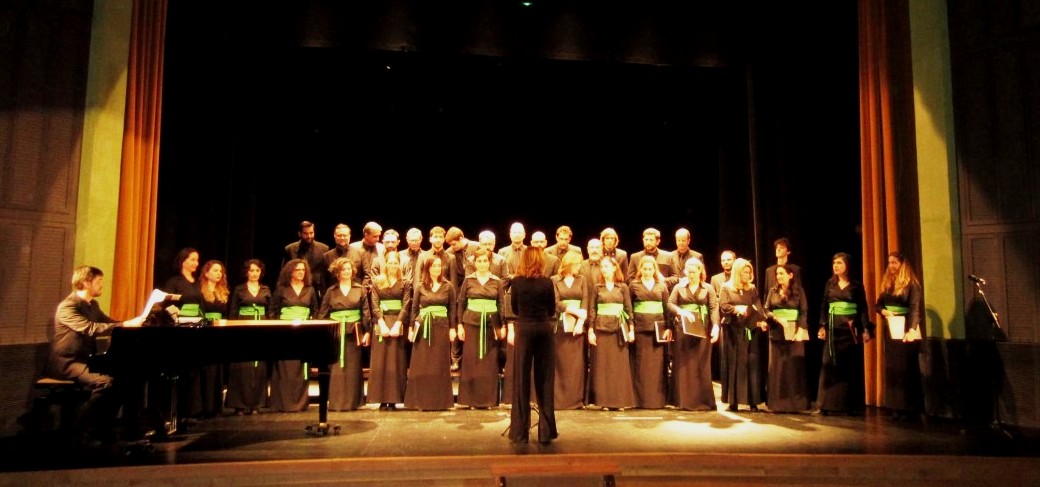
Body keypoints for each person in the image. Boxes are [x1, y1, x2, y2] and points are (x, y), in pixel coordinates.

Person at [48, 266, 145, 445]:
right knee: (106, 382)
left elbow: (109, 323)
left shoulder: (93, 305)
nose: (102, 285)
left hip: (86, 359)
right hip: (67, 362)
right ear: (86, 282)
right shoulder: (68, 306)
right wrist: (125, 324)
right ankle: (81, 430)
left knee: (125, 381)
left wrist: (134, 323)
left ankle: (102, 427)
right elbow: (90, 328)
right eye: (99, 282)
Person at [507, 247, 558, 445]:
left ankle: (520, 432)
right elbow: (552, 308)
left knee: (521, 378)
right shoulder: (547, 282)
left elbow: (514, 308)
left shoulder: (517, 282)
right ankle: (545, 432)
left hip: (525, 330)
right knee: (545, 379)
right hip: (544, 330)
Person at [816, 252, 874, 415]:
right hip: (833, 329)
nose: (836, 266)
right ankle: (825, 405)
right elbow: (824, 307)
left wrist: (865, 329)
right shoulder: (830, 284)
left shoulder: (856, 285)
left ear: (847, 265)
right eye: (834, 263)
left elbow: (863, 308)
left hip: (850, 330)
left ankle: (848, 405)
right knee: (829, 366)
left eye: (839, 263)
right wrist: (822, 326)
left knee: (848, 367)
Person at [317, 257, 377, 411]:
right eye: (344, 269)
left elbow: (366, 313)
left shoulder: (360, 289)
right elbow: (323, 313)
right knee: (336, 369)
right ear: (337, 272)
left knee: (352, 369)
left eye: (349, 269)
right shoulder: (331, 291)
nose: (347, 271)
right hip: (335, 335)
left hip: (353, 334)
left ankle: (353, 402)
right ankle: (337, 402)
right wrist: (324, 334)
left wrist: (367, 332)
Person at [875, 251, 924, 421]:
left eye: (894, 262)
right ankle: (896, 406)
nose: (891, 266)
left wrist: (911, 329)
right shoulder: (888, 283)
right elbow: (878, 304)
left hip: (906, 330)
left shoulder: (912, 284)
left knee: (906, 369)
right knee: (893, 369)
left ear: (902, 264)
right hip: (891, 329)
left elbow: (915, 308)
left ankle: (909, 408)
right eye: (889, 262)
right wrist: (884, 311)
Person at [404, 253, 457, 411]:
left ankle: (440, 402)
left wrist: (453, 328)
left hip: (441, 327)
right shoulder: (420, 286)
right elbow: (414, 309)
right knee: (422, 364)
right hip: (422, 328)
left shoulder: (448, 286)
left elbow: (452, 309)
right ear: (428, 268)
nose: (437, 268)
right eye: (433, 266)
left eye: (439, 266)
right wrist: (411, 328)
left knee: (439, 364)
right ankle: (419, 401)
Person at [666, 258, 720, 411]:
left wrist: (715, 326)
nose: (691, 275)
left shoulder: (708, 288)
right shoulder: (679, 287)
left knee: (701, 366)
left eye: (693, 272)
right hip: (683, 330)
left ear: (700, 272)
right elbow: (670, 304)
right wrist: (681, 311)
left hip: (702, 330)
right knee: (685, 366)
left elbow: (714, 308)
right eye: (688, 272)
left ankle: (702, 401)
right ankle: (685, 401)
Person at [455, 248, 505, 408]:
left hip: (491, 325)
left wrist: (502, 325)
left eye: (485, 261)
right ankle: (470, 400)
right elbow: (461, 302)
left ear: (489, 262)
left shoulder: (496, 281)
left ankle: (488, 400)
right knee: (472, 362)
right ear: (474, 263)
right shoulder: (468, 280)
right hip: (471, 324)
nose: (482, 264)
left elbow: (501, 304)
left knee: (489, 362)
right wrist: (460, 325)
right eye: (479, 261)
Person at [269, 259, 319, 412]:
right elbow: (273, 311)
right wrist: (277, 327)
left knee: (300, 367)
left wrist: (311, 326)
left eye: (303, 270)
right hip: (285, 332)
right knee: (285, 367)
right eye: (297, 270)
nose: (301, 272)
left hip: (303, 332)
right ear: (290, 271)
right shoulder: (281, 289)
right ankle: (282, 403)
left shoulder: (310, 290)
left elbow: (315, 311)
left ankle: (300, 403)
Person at [719, 257, 768, 412]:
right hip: (733, 331)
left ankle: (752, 401)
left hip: (749, 331)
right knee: (733, 363)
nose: (747, 275)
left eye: (749, 272)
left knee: (750, 363)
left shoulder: (752, 289)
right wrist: (736, 309)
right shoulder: (726, 287)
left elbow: (758, 307)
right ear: (737, 272)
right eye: (744, 272)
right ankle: (733, 401)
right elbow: (723, 306)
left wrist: (761, 320)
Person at [588, 257, 636, 410]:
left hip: (618, 331)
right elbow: (592, 309)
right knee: (603, 366)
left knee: (619, 367)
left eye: (607, 266)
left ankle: (619, 401)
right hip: (602, 329)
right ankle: (604, 402)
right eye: (602, 266)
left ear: (615, 268)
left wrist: (631, 329)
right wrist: (591, 329)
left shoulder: (622, 287)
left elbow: (629, 309)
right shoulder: (597, 287)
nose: (604, 269)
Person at [763, 264, 810, 413]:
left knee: (793, 368)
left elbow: (803, 312)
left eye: (782, 273)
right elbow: (766, 310)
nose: (778, 276)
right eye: (777, 274)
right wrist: (776, 318)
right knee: (777, 368)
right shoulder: (773, 291)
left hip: (794, 332)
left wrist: (800, 329)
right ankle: (777, 404)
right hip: (777, 333)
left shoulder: (799, 291)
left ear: (790, 275)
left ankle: (796, 404)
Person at [226, 259, 272, 415]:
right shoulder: (239, 289)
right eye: (251, 270)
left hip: (261, 327)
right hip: (243, 326)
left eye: (257, 270)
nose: (254, 273)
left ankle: (257, 403)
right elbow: (233, 312)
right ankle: (239, 404)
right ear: (246, 272)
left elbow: (270, 311)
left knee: (258, 367)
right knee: (241, 366)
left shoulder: (266, 289)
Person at [368, 250, 411, 410]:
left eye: (395, 262)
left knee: (395, 362)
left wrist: (398, 323)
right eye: (390, 262)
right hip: (382, 323)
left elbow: (406, 304)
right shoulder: (377, 281)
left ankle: (394, 398)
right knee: (380, 362)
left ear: (399, 264)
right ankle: (380, 398)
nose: (393, 265)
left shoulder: (405, 282)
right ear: (385, 263)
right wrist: (382, 323)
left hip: (397, 324)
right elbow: (374, 304)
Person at [629, 255, 671, 409]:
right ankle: (639, 400)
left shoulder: (662, 286)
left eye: (650, 269)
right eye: (644, 269)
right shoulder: (634, 285)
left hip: (657, 332)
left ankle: (657, 400)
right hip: (640, 330)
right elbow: (629, 308)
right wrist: (631, 327)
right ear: (640, 269)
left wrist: (668, 328)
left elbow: (667, 308)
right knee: (640, 365)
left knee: (657, 366)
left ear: (654, 269)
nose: (647, 271)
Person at [552, 250, 591, 409]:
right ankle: (559, 400)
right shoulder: (554, 280)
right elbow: (555, 302)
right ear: (568, 264)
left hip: (577, 326)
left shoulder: (582, 279)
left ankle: (575, 400)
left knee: (576, 365)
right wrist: (573, 311)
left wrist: (581, 322)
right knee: (560, 363)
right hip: (560, 326)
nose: (579, 267)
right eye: (577, 264)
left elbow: (585, 301)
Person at [193, 260, 229, 418]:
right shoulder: (199, 290)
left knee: (217, 369)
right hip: (205, 330)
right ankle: (203, 407)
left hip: (219, 332)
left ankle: (215, 406)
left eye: (220, 271)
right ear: (206, 272)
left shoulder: (223, 291)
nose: (218, 273)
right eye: (215, 270)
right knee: (205, 369)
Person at [283, 221, 330, 298]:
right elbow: (285, 273)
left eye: (311, 233)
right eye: (306, 233)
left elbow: (326, 274)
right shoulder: (290, 249)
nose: (309, 236)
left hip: (316, 291)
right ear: (299, 234)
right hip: (295, 289)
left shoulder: (324, 249)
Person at [163, 247, 202, 318]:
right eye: (193, 260)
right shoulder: (173, 282)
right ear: (183, 261)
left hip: (197, 320)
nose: (196, 263)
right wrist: (177, 317)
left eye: (197, 260)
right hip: (180, 322)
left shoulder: (199, 282)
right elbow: (167, 304)